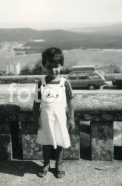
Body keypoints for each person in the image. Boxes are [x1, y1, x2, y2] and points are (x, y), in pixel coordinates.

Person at [33, 47, 75, 178]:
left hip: (61, 118)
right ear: (44, 66)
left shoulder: (65, 83)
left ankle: (59, 164)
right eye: (49, 66)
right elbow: (36, 103)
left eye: (56, 66)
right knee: (47, 143)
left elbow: (70, 101)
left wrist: (71, 118)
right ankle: (45, 164)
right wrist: (35, 119)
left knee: (59, 143)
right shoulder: (41, 83)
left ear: (61, 66)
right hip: (46, 118)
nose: (53, 70)